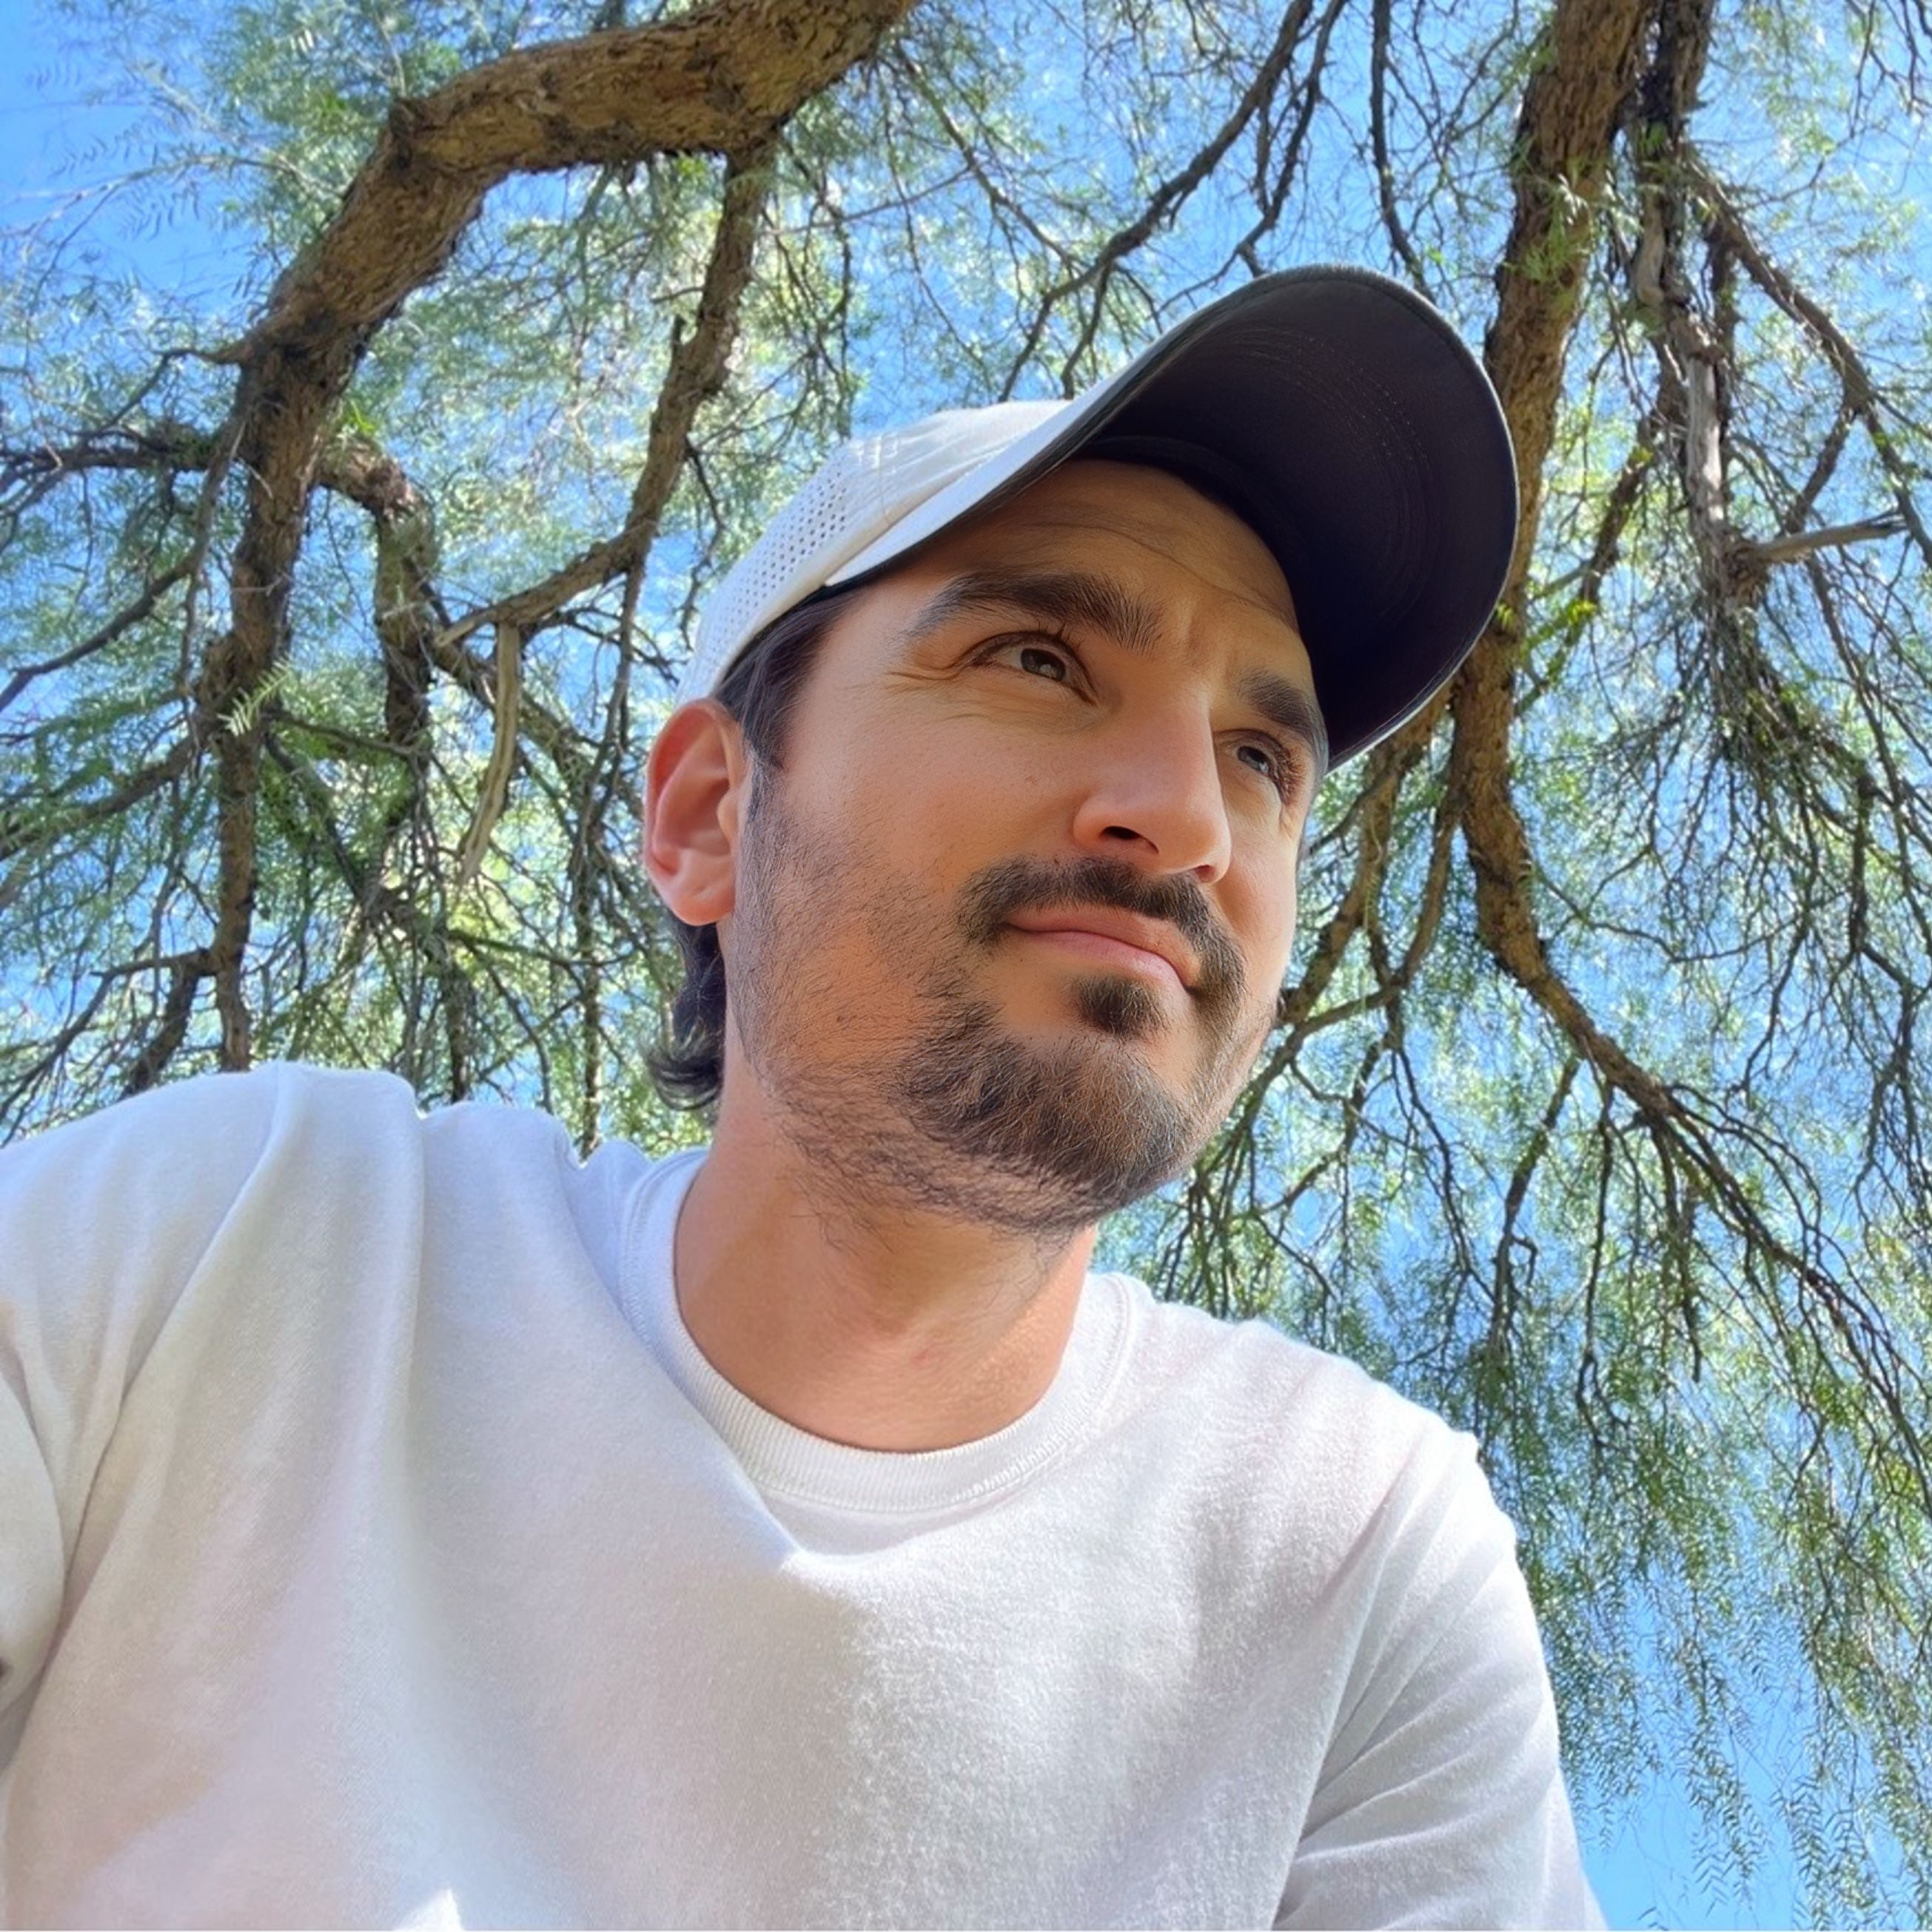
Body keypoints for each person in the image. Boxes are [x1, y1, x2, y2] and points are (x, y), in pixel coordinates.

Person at [0, 266, 1603, 1928]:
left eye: (1265, 760)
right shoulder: (242, 1242)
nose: (1186, 815)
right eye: (1040, 657)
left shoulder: (1352, 1549)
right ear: (706, 814)